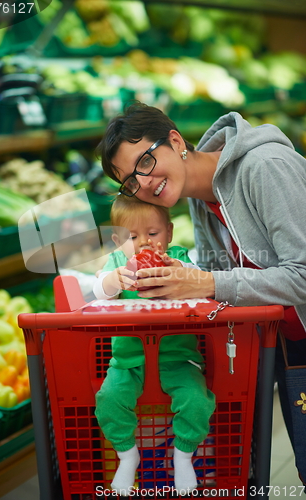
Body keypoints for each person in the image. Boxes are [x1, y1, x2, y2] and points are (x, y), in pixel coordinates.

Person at [96, 102, 306, 486]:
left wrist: (203, 283)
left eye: (144, 162)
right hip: (281, 340)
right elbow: (219, 276)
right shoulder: (196, 198)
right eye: (129, 181)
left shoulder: (265, 167)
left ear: (175, 141)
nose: (142, 184)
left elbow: (302, 274)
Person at [93, 195, 216, 495]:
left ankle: (183, 455)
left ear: (170, 233)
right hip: (128, 360)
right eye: (132, 237)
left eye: (153, 233)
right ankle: (126, 454)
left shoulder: (177, 257)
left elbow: (198, 289)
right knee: (108, 399)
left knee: (197, 400)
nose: (144, 243)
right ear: (118, 241)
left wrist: (176, 271)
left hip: (177, 357)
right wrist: (114, 281)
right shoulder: (118, 263)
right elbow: (97, 292)